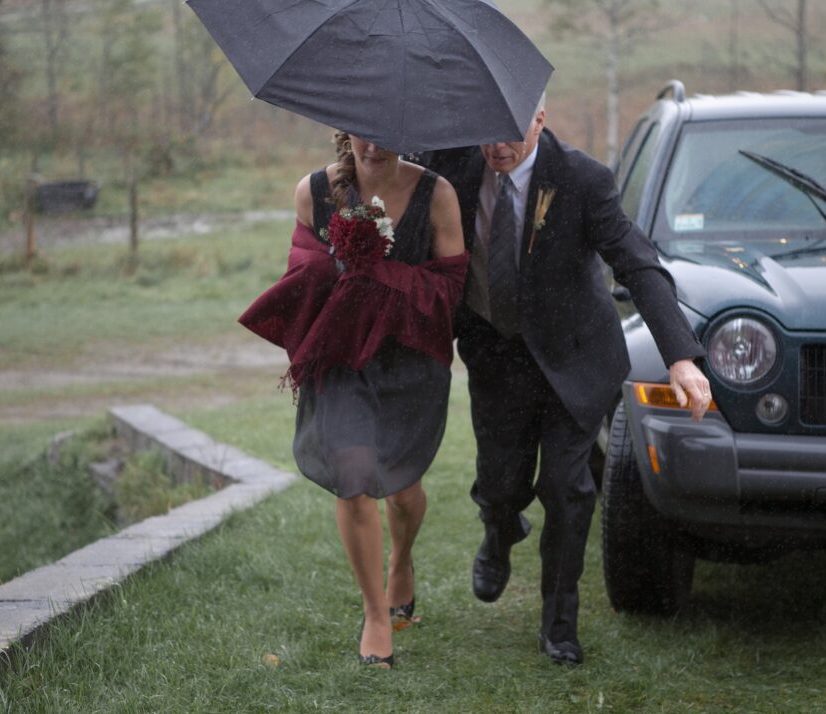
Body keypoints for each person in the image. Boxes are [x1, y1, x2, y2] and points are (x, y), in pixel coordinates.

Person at [422, 94, 712, 665]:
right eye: (486, 132)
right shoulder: (450, 164)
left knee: (566, 487)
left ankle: (559, 622)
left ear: (541, 119)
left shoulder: (582, 178)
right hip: (496, 353)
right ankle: (501, 530)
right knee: (501, 481)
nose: (496, 147)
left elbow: (637, 263)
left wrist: (680, 355)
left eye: (511, 133)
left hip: (575, 359)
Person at [239, 132, 467, 669]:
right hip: (341, 359)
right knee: (355, 478)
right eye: (364, 131)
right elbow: (304, 275)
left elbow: (449, 292)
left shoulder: (438, 195)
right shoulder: (313, 192)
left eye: (389, 134)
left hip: (409, 362)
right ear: (345, 132)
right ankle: (376, 615)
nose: (375, 144)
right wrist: (341, 258)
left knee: (403, 494)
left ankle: (401, 563)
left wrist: (378, 271)